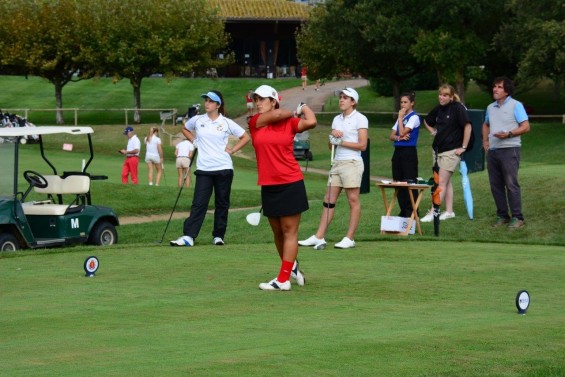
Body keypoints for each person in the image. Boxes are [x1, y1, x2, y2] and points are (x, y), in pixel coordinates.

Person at [248, 84, 317, 291]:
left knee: (289, 231)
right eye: (256, 99)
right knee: (277, 233)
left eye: (263, 99)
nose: (258, 103)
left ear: (273, 100)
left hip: (290, 182)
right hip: (269, 185)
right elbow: (278, 114)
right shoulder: (255, 122)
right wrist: (292, 111)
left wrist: (303, 107)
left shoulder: (290, 123)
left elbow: (312, 121)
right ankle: (292, 266)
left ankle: (283, 279)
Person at [170, 90, 250, 247]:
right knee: (199, 203)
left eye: (210, 101)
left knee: (222, 203)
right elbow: (185, 128)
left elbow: (245, 137)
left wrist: (233, 150)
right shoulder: (198, 120)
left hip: (224, 168)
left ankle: (218, 236)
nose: (207, 103)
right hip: (204, 169)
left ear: (218, 105)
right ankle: (189, 236)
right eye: (206, 100)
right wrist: (194, 141)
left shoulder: (226, 122)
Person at [299, 87, 368, 250]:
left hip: (352, 163)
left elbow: (362, 145)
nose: (341, 100)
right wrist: (333, 138)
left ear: (353, 102)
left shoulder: (360, 119)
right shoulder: (336, 119)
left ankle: (349, 238)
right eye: (340, 97)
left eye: (345, 97)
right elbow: (331, 145)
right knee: (329, 200)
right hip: (337, 162)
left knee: (353, 200)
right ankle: (319, 236)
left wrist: (341, 141)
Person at [482, 76, 530, 229]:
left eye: (499, 87)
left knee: (511, 184)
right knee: (496, 185)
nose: (495, 89)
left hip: (510, 149)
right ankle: (502, 216)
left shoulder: (516, 105)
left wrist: (509, 134)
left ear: (507, 90)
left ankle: (518, 218)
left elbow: (526, 126)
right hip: (493, 151)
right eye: (494, 86)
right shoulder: (490, 107)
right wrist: (485, 141)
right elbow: (486, 124)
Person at [420, 84, 472, 222]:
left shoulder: (458, 108)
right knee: (446, 182)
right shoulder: (438, 109)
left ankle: (433, 212)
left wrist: (464, 147)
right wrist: (432, 131)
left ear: (451, 96)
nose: (442, 97)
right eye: (440, 94)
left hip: (451, 151)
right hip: (437, 151)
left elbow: (468, 126)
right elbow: (426, 120)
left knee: (441, 182)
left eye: (445, 95)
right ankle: (449, 212)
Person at [389, 91, 421, 217]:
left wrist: (401, 119)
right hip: (398, 151)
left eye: (405, 102)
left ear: (412, 103)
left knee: (409, 181)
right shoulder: (400, 118)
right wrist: (399, 138)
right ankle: (403, 210)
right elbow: (392, 135)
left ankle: (412, 211)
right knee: (398, 181)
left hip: (409, 152)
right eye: (401, 102)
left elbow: (402, 132)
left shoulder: (413, 117)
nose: (403, 104)